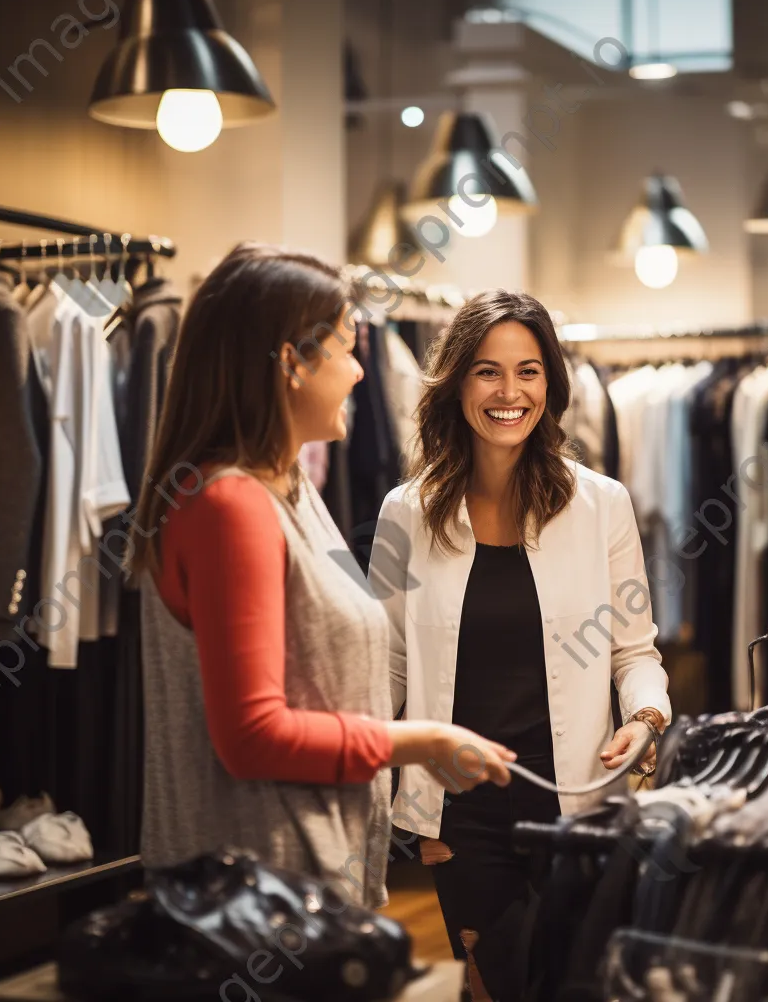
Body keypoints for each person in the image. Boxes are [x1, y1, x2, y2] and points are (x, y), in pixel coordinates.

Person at [125, 243, 514, 910]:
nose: (360, 372)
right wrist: (422, 741)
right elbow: (251, 738)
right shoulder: (230, 506)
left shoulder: (290, 491)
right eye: (342, 348)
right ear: (290, 363)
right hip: (252, 901)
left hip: (301, 887)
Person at [369, 289, 672, 997]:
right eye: (488, 371)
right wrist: (407, 811)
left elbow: (635, 652)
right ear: (457, 383)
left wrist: (645, 718)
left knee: (577, 985)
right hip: (460, 814)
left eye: (529, 371)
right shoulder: (402, 514)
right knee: (494, 987)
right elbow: (382, 668)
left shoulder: (602, 505)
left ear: (551, 383)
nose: (510, 392)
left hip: (578, 805)